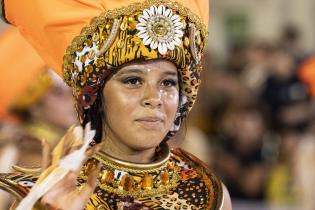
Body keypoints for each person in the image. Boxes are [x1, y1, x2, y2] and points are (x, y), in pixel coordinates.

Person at [0, 0, 232, 209]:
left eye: (168, 83)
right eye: (133, 80)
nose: (154, 97)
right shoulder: (52, 191)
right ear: (94, 97)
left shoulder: (207, 193)